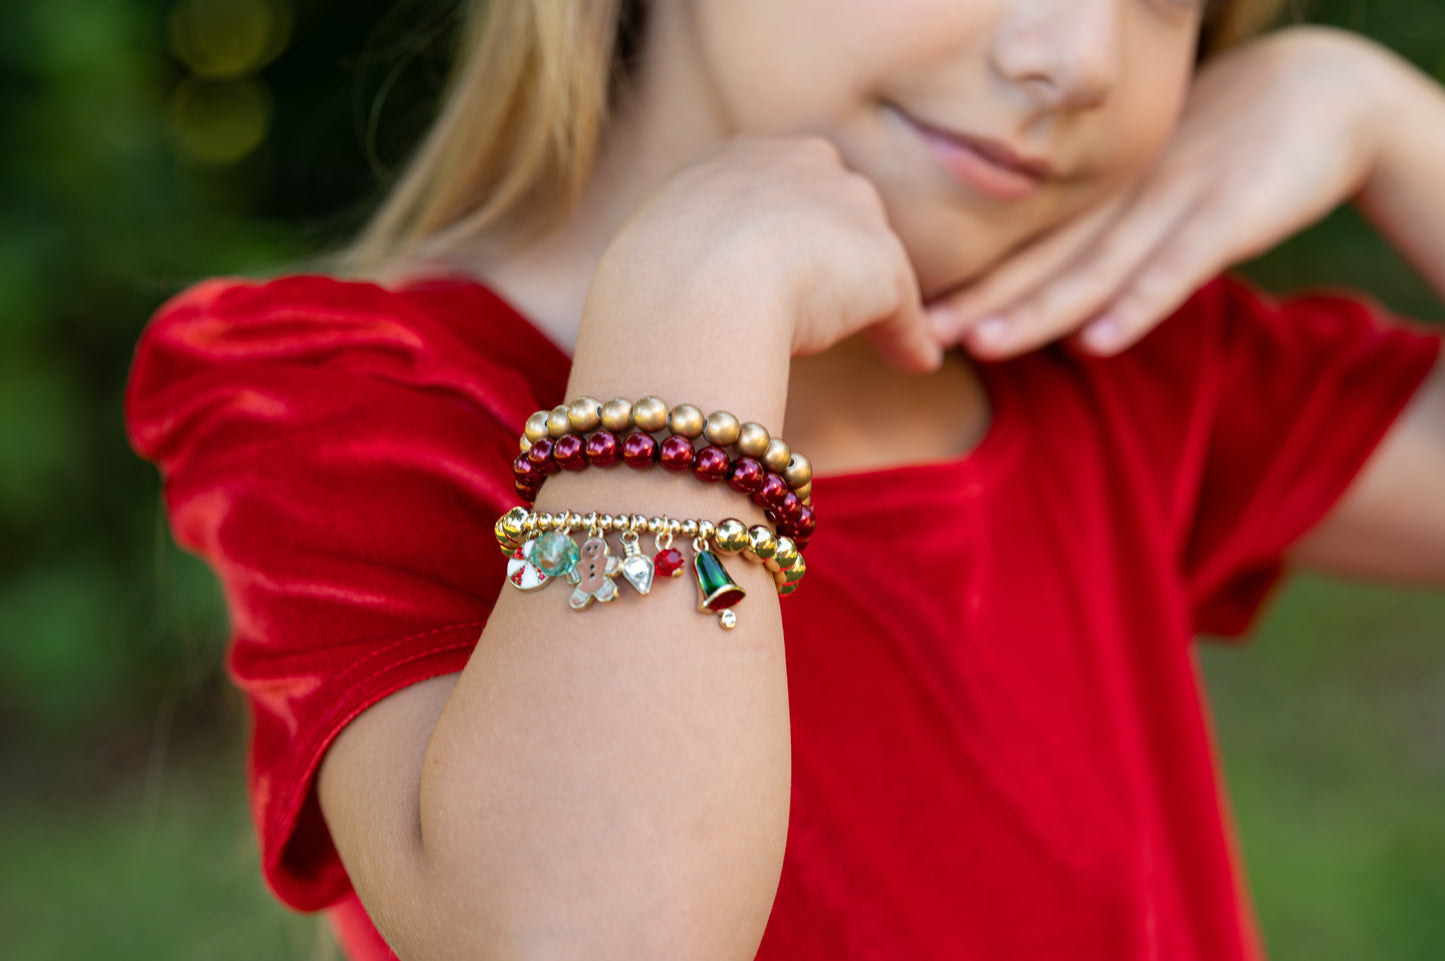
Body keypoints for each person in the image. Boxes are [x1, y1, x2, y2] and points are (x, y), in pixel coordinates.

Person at [124, 0, 1445, 958]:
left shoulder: (1116, 356)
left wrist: (1382, 116)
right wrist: (698, 316)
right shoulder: (355, 400)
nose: (1078, 56)